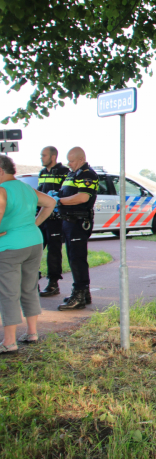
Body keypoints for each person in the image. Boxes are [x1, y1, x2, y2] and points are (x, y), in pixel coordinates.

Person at [0, 155, 56, 354]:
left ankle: (9, 341)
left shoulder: (2, 190)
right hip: (34, 242)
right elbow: (50, 202)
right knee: (29, 287)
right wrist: (34, 224)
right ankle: (32, 332)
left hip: (10, 247)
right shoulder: (25, 187)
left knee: (8, 293)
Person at [53, 147, 99, 311]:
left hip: (78, 221)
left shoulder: (87, 174)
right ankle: (84, 293)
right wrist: (58, 194)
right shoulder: (73, 174)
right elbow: (67, 192)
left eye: (71, 160)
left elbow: (83, 196)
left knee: (77, 258)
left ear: (81, 159)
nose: (68, 163)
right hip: (69, 221)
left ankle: (78, 295)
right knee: (73, 257)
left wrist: (59, 201)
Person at [36, 146, 70, 297]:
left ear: (53, 156)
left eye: (44, 155)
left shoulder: (64, 172)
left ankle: (53, 283)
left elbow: (66, 192)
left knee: (54, 252)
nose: (41, 158)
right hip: (42, 216)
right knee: (35, 250)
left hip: (55, 219)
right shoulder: (42, 172)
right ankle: (32, 281)